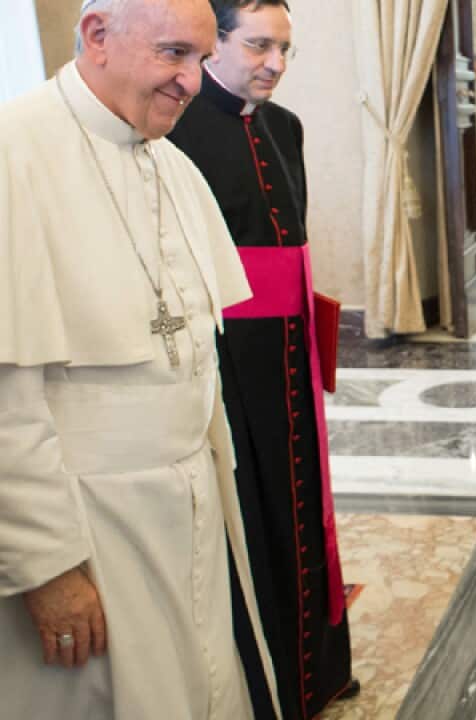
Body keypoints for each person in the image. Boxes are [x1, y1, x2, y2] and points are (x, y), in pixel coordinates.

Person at [0, 0, 281, 718]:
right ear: (97, 35)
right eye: (173, 55)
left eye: (197, 56)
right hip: (91, 524)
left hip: (185, 502)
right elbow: (8, 397)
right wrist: (47, 567)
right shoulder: (13, 154)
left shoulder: (169, 162)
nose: (193, 80)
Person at [166, 1, 355, 717]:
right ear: (213, 41)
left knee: (305, 508)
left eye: (285, 48)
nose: (274, 63)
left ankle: (317, 674)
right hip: (227, 361)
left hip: (290, 356)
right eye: (258, 45)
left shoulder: (286, 127)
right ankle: (269, 684)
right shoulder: (176, 127)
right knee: (250, 516)